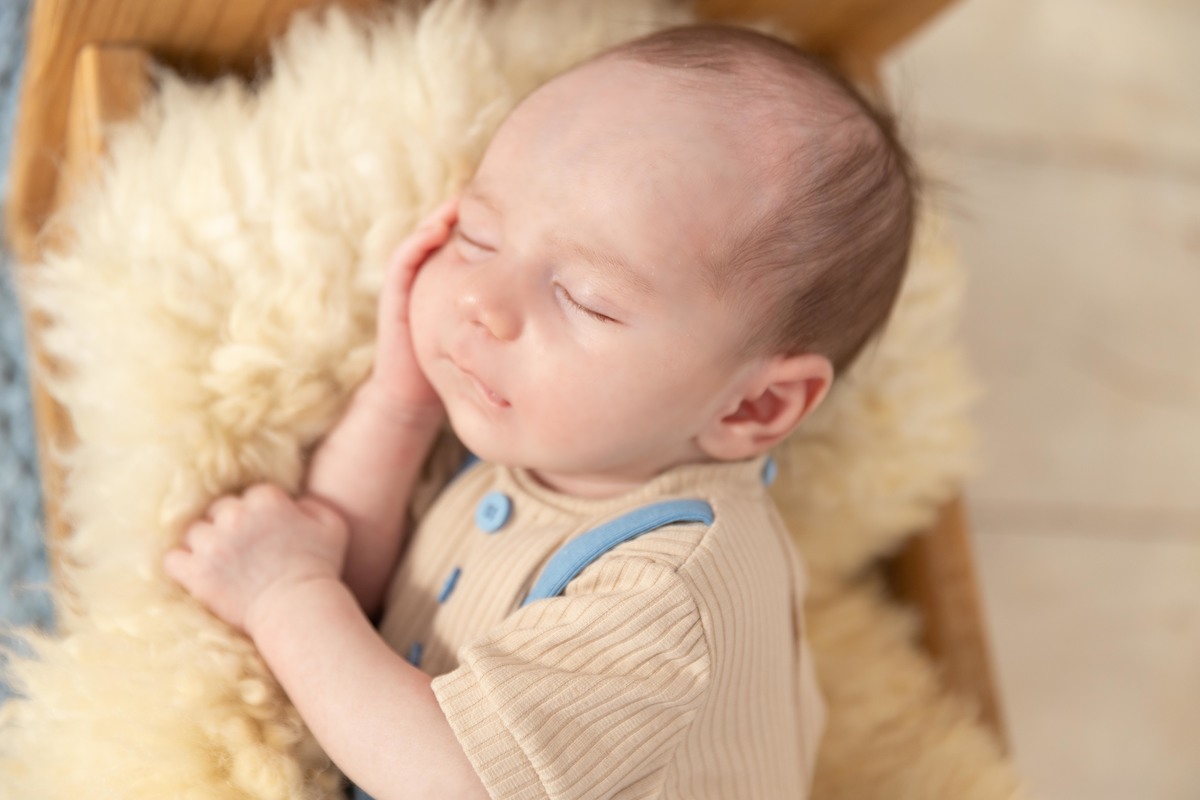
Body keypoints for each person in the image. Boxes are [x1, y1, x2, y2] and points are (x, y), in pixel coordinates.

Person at [163, 23, 915, 800]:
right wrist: (400, 402)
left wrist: (284, 596)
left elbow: (449, 779)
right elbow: (347, 571)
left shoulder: (668, 594)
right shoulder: (556, 436)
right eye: (479, 238)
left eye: (583, 298)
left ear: (754, 403)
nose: (482, 303)